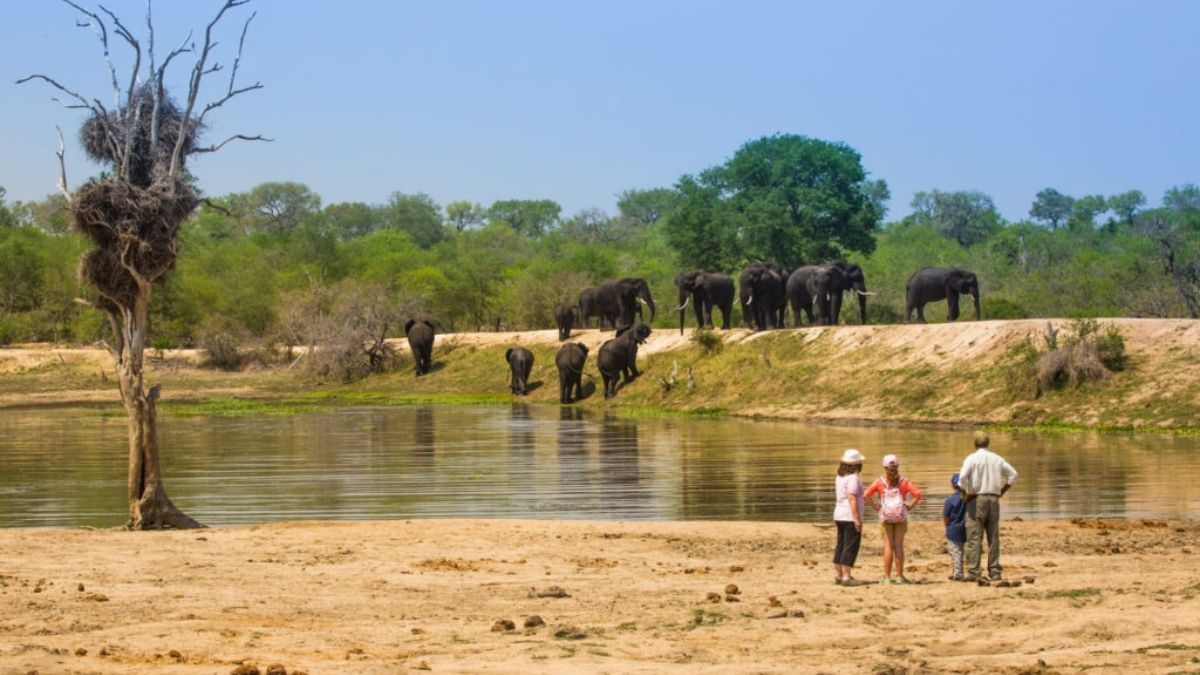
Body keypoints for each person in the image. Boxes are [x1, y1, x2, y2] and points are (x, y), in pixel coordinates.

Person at [957, 430, 1019, 582]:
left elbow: (961, 480)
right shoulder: (996, 458)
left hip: (977, 499)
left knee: (974, 536)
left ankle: (974, 572)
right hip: (994, 499)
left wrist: (966, 494)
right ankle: (995, 571)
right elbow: (1013, 475)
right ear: (988, 443)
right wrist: (1001, 492)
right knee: (993, 536)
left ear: (975, 443)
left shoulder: (972, 459)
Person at [864, 454, 923, 584]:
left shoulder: (879, 481)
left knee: (888, 546)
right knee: (898, 546)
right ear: (897, 466)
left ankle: (887, 578)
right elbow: (918, 495)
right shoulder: (904, 481)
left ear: (884, 467)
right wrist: (909, 507)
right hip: (901, 517)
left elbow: (866, 495)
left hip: (885, 518)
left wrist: (875, 507)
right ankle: (900, 577)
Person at [832, 449, 867, 587]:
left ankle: (839, 575)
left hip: (839, 513)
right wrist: (857, 519)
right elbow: (852, 498)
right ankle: (846, 577)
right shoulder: (853, 478)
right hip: (848, 515)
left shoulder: (839, 477)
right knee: (850, 546)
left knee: (841, 544)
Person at [943, 472, 967, 581]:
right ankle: (958, 572)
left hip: (953, 529)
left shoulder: (950, 500)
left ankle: (957, 574)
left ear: (952, 485)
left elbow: (946, 516)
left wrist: (947, 527)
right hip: (965, 528)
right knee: (961, 550)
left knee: (955, 551)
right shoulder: (967, 499)